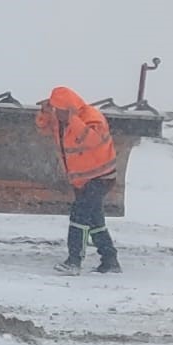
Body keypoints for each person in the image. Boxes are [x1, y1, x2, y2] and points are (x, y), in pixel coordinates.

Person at [35, 86, 121, 275]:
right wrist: (45, 112)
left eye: (61, 110)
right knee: (94, 220)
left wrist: (72, 119)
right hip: (82, 179)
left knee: (79, 216)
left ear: (71, 108)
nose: (58, 114)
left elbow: (90, 140)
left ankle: (74, 261)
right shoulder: (60, 119)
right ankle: (110, 260)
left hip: (100, 177)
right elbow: (42, 127)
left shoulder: (92, 118)